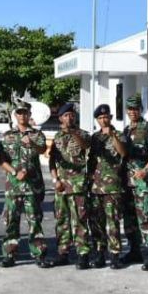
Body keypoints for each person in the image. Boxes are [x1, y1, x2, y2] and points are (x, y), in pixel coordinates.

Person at [0, 102, 49, 268]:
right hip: (13, 186)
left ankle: (39, 254)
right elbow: (1, 160)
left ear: (29, 114)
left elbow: (42, 149)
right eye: (19, 113)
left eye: (25, 113)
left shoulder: (37, 134)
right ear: (15, 115)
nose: (22, 116)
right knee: (11, 221)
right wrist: (14, 172)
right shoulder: (7, 136)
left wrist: (31, 142)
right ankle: (9, 254)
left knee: (35, 221)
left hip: (32, 187)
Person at [121, 95, 148, 270]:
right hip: (128, 182)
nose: (133, 112)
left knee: (147, 217)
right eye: (130, 109)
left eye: (136, 108)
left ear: (141, 109)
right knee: (130, 219)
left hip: (143, 182)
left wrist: (146, 170)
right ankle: (135, 251)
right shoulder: (125, 130)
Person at [48, 102, 92, 269]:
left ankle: (83, 254)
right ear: (60, 118)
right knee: (62, 221)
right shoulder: (58, 137)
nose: (69, 117)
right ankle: (63, 253)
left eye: (72, 115)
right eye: (66, 115)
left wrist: (74, 133)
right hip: (61, 186)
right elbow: (52, 160)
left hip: (78, 185)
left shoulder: (83, 134)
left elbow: (85, 146)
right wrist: (55, 179)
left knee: (80, 220)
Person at [88, 103, 127, 269]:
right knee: (96, 223)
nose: (103, 120)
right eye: (100, 118)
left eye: (106, 117)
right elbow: (90, 160)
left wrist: (113, 137)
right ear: (97, 120)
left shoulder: (119, 134)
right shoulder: (94, 138)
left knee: (113, 222)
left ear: (110, 118)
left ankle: (115, 254)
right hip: (96, 187)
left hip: (113, 187)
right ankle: (100, 253)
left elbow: (123, 152)